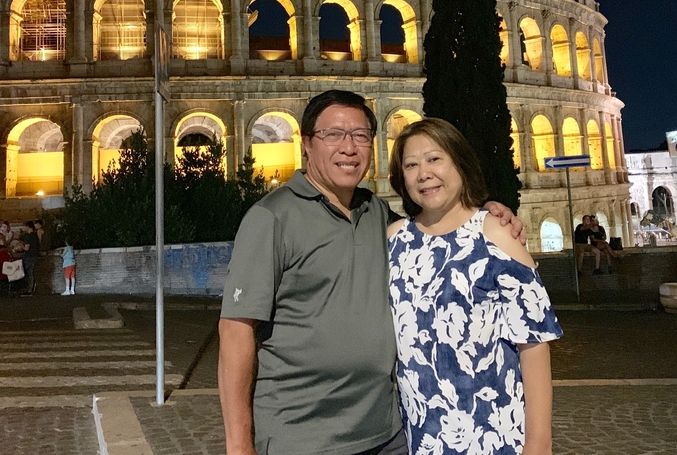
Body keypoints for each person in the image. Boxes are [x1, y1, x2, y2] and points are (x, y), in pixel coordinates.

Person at [218, 90, 522, 455]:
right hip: (303, 436)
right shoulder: (271, 218)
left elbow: (435, 228)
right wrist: (238, 445)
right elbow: (236, 331)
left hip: (386, 432)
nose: (349, 147)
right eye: (333, 135)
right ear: (307, 144)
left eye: (360, 135)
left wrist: (483, 213)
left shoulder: (376, 213)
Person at [387, 118, 561, 455]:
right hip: (420, 437)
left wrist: (539, 444)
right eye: (411, 165)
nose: (423, 173)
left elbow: (534, 344)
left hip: (494, 435)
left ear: (460, 164)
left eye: (435, 159)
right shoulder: (394, 241)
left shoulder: (496, 234)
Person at [18, 221, 41, 296]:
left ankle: (29, 289)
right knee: (31, 273)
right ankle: (30, 289)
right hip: (34, 256)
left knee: (28, 273)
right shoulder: (35, 236)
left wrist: (21, 244)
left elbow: (26, 248)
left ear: (28, 227)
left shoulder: (29, 236)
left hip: (29, 256)